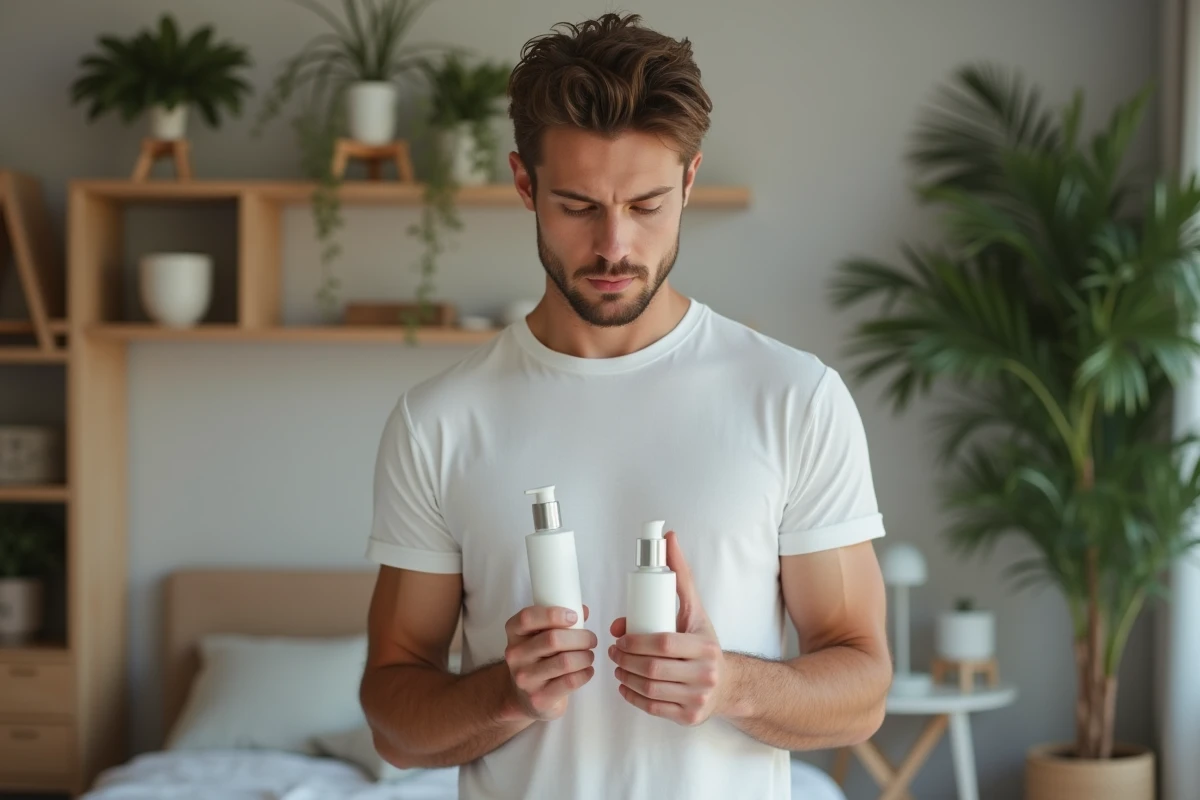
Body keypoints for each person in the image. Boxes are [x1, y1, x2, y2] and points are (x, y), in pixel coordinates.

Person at [359, 12, 891, 800]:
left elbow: (864, 689)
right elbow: (394, 722)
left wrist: (734, 685)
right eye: (578, 206)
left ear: (688, 181)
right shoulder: (438, 422)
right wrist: (505, 695)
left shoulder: (793, 398)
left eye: (645, 206)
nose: (614, 246)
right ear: (523, 183)